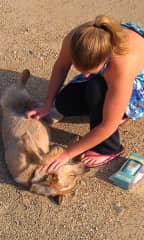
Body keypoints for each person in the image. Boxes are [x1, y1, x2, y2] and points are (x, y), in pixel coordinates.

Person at [26, 15, 144, 172]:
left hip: (136, 78)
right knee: (63, 103)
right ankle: (112, 107)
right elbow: (61, 66)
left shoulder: (122, 67)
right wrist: (47, 104)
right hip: (108, 67)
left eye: (89, 71)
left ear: (105, 59)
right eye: (81, 70)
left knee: (96, 89)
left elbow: (108, 126)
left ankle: (109, 148)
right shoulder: (76, 39)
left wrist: (68, 153)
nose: (85, 75)